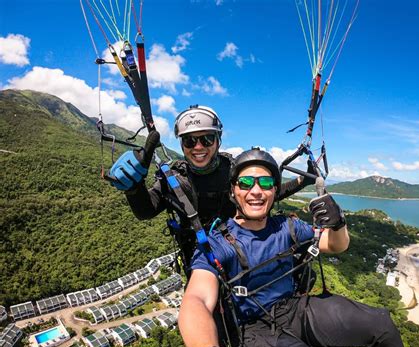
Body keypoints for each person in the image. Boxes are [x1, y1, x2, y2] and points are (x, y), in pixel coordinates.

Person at [178, 148, 405, 347]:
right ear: (233, 190)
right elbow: (196, 299)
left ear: (275, 191)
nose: (256, 191)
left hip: (296, 309)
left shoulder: (287, 226)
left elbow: (336, 244)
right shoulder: (219, 242)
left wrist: (339, 224)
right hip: (255, 329)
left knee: (381, 325)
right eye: (246, 182)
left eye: (265, 183)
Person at [108, 105, 314, 272]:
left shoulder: (233, 170)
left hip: (241, 252)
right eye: (190, 140)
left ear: (218, 141)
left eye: (207, 139)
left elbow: (265, 194)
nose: (198, 147)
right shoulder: (173, 179)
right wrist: (134, 188)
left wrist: (302, 181)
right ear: (181, 145)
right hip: (201, 260)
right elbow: (146, 210)